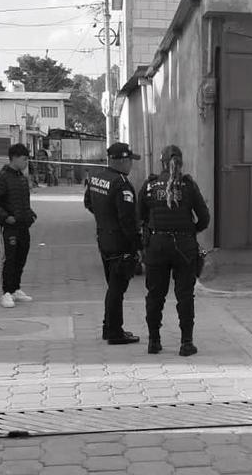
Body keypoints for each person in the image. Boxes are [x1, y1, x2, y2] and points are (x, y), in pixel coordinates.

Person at [139, 145, 211, 356]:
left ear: (161, 163)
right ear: (181, 162)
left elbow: (140, 215)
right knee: (185, 295)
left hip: (157, 245)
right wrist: (190, 231)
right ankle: (186, 343)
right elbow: (204, 218)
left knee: (155, 295)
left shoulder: (150, 185)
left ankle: (154, 341)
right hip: (184, 247)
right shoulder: (189, 186)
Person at [84, 142, 143, 345]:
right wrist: (137, 247)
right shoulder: (122, 184)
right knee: (117, 289)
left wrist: (104, 218)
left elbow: (88, 203)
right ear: (122, 161)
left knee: (113, 286)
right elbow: (127, 220)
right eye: (130, 161)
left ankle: (108, 327)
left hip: (104, 238)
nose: (131, 165)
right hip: (120, 244)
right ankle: (115, 332)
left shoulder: (96, 177)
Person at [0, 143, 38, 308]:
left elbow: (23, 202)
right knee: (10, 259)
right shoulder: (2, 177)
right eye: (24, 159)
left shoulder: (21, 178)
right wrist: (6, 217)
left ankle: (16, 288)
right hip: (10, 227)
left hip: (23, 225)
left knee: (21, 258)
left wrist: (30, 214)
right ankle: (6, 292)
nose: (26, 163)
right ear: (14, 158)